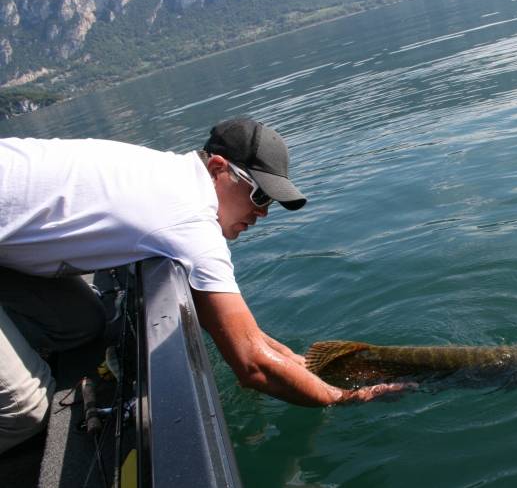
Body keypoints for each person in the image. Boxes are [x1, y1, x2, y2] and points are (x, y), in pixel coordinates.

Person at [0, 118, 404, 454]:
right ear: (217, 168)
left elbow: (245, 337)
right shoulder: (190, 218)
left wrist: (300, 363)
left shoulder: (166, 172)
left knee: (82, 325)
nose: (262, 212)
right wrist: (346, 398)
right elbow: (253, 366)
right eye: (259, 194)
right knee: (25, 411)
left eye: (271, 203)